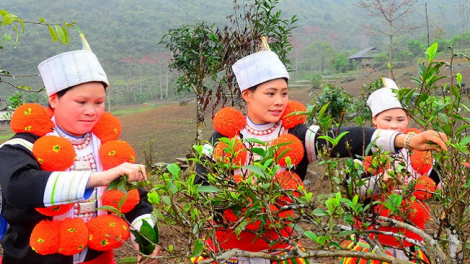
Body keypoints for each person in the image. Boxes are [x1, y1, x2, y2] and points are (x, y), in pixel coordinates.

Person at [193, 38, 447, 264]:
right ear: (247, 95)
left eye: (284, 92)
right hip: (226, 249)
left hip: (280, 248)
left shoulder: (296, 135)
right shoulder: (222, 139)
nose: (279, 100)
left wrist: (404, 140)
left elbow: (344, 137)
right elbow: (202, 187)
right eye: (270, 93)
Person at [0, 36, 159, 264]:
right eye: (81, 102)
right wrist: (98, 178)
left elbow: (134, 197)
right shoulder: (22, 146)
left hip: (99, 256)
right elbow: (18, 187)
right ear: (54, 99)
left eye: (99, 102)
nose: (91, 111)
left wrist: (144, 231)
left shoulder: (106, 146)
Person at [338, 78, 440, 263]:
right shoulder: (364, 152)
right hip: (372, 238)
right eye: (387, 119)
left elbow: (437, 183)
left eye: (400, 119)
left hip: (410, 238)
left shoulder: (420, 152)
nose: (394, 125)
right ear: (374, 120)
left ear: (408, 119)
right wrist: (380, 181)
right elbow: (353, 191)